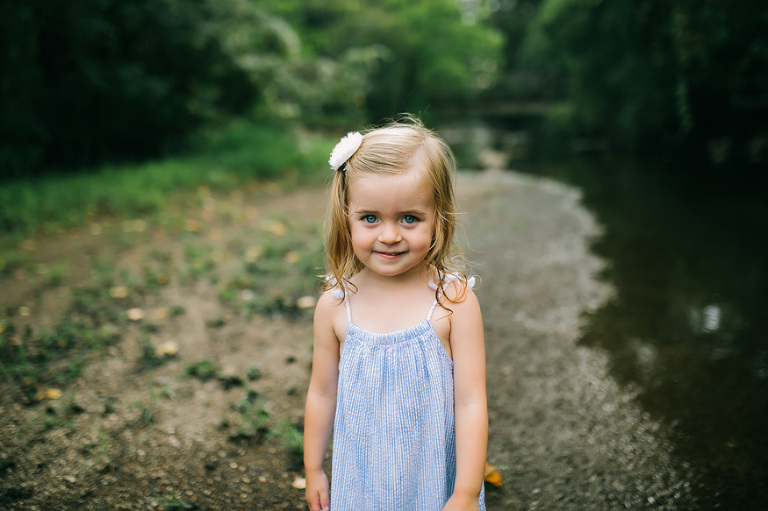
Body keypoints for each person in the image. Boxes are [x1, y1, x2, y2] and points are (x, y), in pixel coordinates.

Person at [304, 116, 488, 511]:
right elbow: (321, 392)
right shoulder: (336, 305)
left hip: (433, 482)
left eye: (409, 218)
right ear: (346, 217)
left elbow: (471, 403)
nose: (389, 236)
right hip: (362, 483)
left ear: (438, 216)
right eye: (370, 218)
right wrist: (314, 468)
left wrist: (466, 492)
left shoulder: (453, 302)